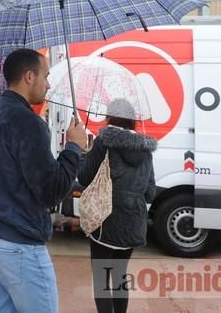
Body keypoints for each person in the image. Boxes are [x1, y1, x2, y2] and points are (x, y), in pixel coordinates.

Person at [0, 48, 88, 313]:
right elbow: (52, 191)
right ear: (29, 76)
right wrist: (74, 148)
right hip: (18, 243)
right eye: (46, 76)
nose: (48, 84)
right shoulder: (28, 123)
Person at [77, 99, 156, 313]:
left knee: (102, 282)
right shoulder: (145, 149)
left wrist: (84, 154)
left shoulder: (104, 142)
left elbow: (84, 177)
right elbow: (150, 191)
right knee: (120, 277)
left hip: (106, 220)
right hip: (133, 222)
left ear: (110, 117)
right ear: (132, 121)